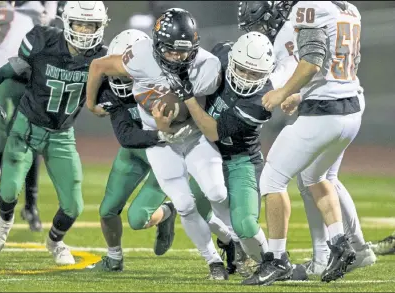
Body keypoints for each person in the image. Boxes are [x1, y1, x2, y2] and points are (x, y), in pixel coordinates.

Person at [86, 8, 241, 280]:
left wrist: (173, 120)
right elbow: (99, 67)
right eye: (171, 51)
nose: (177, 58)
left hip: (190, 136)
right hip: (154, 144)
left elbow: (203, 111)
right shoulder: (139, 59)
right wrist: (91, 104)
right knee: (177, 205)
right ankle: (211, 260)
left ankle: (238, 241)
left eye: (183, 52)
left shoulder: (206, 66)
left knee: (215, 193)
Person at [237, 0, 376, 280]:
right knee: (315, 176)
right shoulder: (347, 8)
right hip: (349, 110)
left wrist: (280, 93)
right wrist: (300, 95)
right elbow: (342, 63)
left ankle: (276, 260)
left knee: (272, 180)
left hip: (324, 112)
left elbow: (312, 62)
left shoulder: (308, 7)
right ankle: (340, 244)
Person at [0, 1, 109, 265]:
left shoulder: (104, 58)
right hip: (27, 126)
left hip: (62, 134)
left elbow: (115, 93)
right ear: (67, 22)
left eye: (91, 25)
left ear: (101, 26)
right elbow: (6, 70)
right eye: (80, 24)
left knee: (74, 206)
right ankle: (5, 221)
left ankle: (55, 241)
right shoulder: (42, 41)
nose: (85, 31)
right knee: (9, 190)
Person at [152, 31, 276, 279]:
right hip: (210, 154)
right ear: (233, 60)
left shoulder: (260, 101)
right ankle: (231, 246)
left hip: (241, 160)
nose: (248, 78)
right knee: (196, 207)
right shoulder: (220, 54)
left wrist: (188, 97)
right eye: (243, 69)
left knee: (245, 224)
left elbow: (213, 130)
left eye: (256, 74)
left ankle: (274, 262)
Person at [0, 0, 56, 233]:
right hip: (8, 78)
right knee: (0, 145)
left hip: (32, 82)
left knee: (32, 143)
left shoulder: (37, 11)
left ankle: (30, 207)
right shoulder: (27, 10)